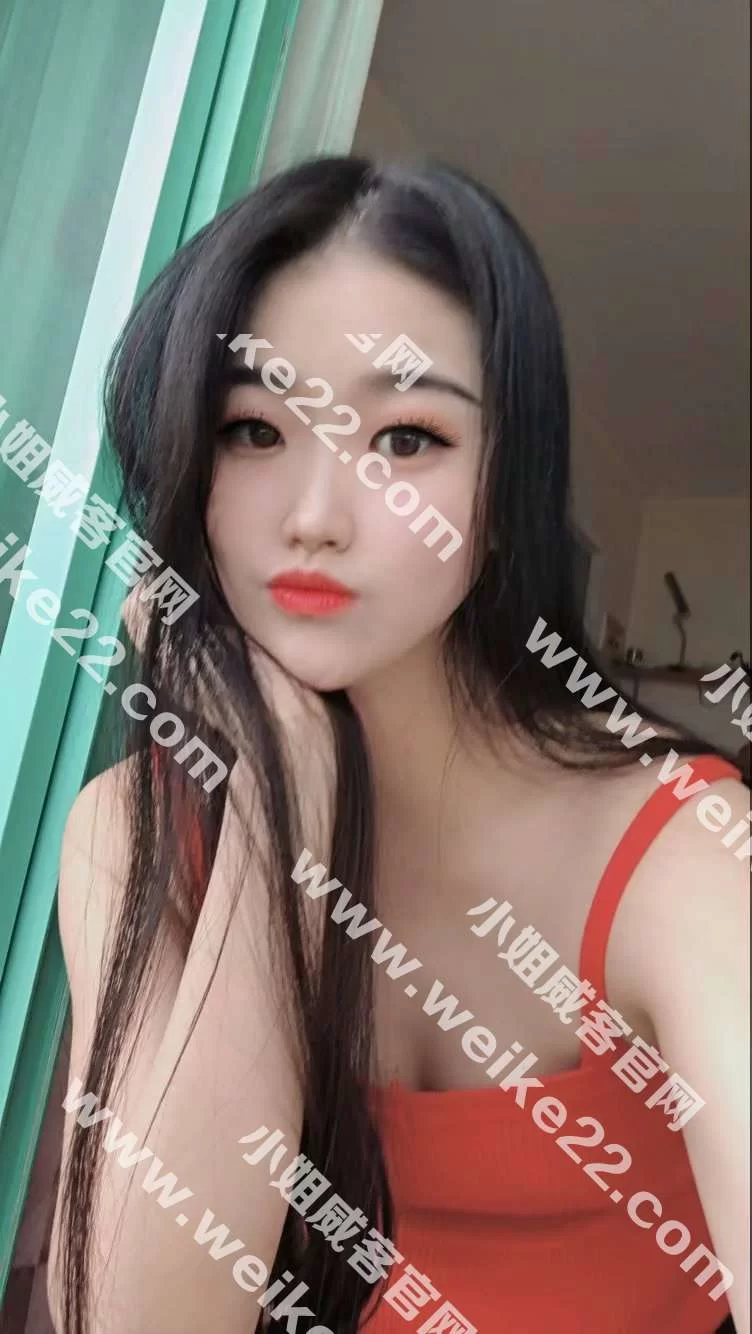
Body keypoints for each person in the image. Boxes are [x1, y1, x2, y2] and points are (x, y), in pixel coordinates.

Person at [46, 155, 749, 1334]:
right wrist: (281, 793)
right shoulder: (134, 832)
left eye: (408, 438)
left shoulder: (680, 853)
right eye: (253, 428)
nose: (315, 515)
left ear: (504, 489)